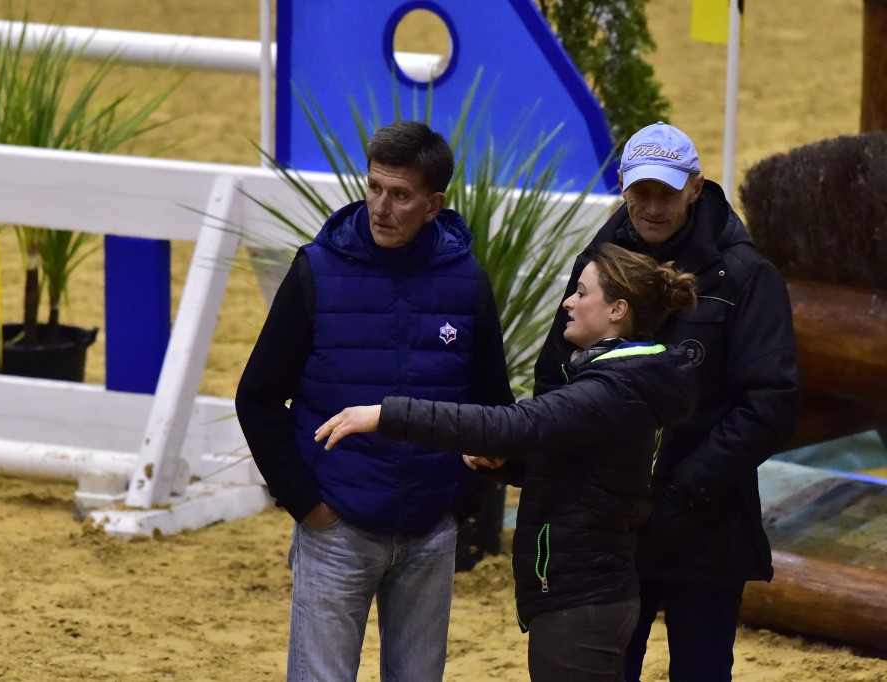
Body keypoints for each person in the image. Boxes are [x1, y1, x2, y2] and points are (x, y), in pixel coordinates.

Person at [316, 242, 700, 682]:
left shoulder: (610, 390)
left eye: (581, 292)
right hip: (586, 590)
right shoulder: (624, 381)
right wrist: (505, 466)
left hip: (582, 596)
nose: (567, 303)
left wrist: (387, 414)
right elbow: (581, 470)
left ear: (617, 310)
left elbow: (513, 425)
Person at [235, 120, 514, 681]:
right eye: (374, 188)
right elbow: (257, 397)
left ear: (433, 205)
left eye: (400, 195)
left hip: (431, 530)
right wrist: (307, 504)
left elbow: (492, 411)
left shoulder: (467, 283)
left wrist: (458, 502)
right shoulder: (315, 271)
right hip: (335, 529)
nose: (381, 207)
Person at [531, 122, 802, 682]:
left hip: (708, 524)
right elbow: (556, 374)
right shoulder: (596, 264)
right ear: (623, 186)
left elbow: (769, 403)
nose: (652, 207)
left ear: (695, 188)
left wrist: (681, 493)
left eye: (667, 193)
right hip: (613, 528)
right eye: (641, 193)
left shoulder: (747, 275)